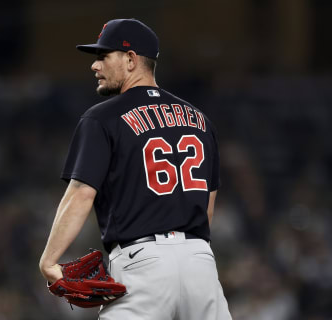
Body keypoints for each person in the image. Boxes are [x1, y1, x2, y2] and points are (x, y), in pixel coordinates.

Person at [39, 18, 232, 320]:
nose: (95, 65)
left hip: (142, 264)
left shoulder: (102, 117)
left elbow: (81, 194)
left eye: (104, 56)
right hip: (200, 263)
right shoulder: (201, 121)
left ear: (130, 60)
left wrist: (49, 261)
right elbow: (207, 207)